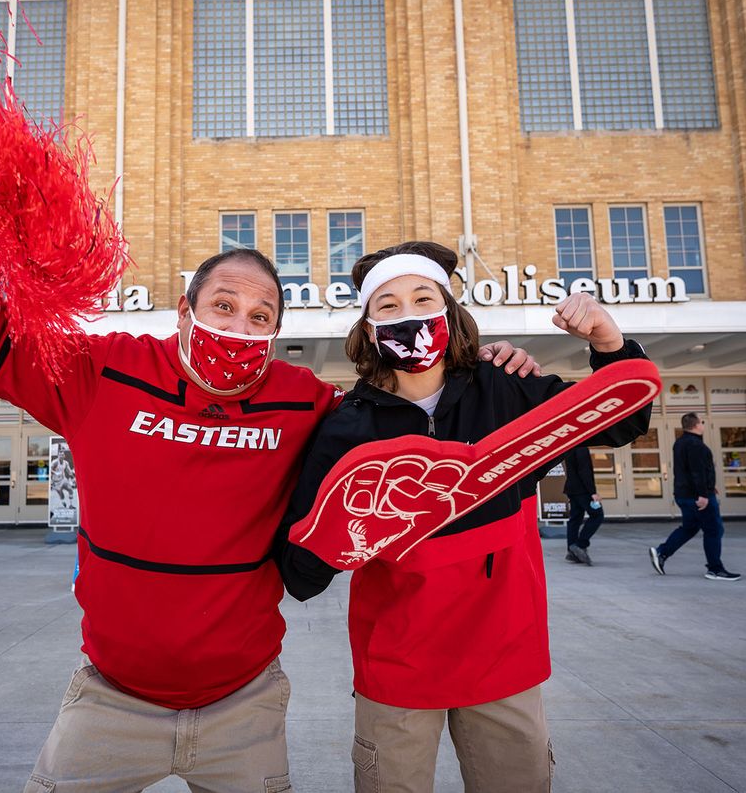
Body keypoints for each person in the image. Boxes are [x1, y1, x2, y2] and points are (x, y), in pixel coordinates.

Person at [0, 207, 540, 793]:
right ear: (185, 314)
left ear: (275, 333)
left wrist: (481, 371)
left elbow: (399, 415)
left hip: (244, 706)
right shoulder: (104, 372)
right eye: (223, 306)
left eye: (260, 317)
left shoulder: (306, 403)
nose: (239, 328)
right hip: (110, 700)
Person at [277, 242, 652, 793]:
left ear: (450, 312)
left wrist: (607, 341)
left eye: (423, 298)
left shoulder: (505, 386)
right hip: (398, 667)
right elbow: (303, 572)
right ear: (369, 329)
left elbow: (622, 422)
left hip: (505, 656)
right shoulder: (348, 427)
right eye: (388, 306)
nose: (408, 316)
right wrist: (350, 528)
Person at [649, 412, 741, 581]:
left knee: (690, 528)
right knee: (714, 530)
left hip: (683, 494)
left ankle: (662, 552)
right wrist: (703, 494)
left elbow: (688, 470)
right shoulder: (695, 445)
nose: (703, 424)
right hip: (697, 497)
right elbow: (697, 471)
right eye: (702, 422)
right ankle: (715, 569)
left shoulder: (680, 443)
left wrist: (709, 487)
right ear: (696, 425)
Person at [562, 446, 603, 565]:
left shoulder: (570, 446)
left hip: (572, 488)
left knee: (575, 519)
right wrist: (592, 492)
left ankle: (572, 551)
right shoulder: (581, 447)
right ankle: (580, 545)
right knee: (597, 515)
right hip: (582, 490)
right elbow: (584, 470)